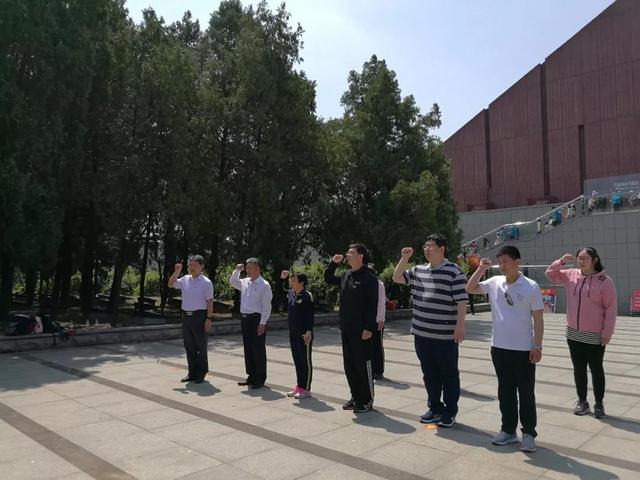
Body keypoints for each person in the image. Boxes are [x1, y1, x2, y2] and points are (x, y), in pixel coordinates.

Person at [466, 246, 544, 453]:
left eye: (506, 261)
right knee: (505, 391)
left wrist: (537, 346)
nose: (502, 265)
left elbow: (538, 319)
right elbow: (470, 288)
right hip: (499, 347)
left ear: (517, 262)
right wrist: (481, 269)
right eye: (499, 262)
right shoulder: (494, 282)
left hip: (524, 349)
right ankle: (508, 431)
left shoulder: (530, 286)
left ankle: (528, 434)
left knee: (526, 393)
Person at [392, 234, 468, 428]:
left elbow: (462, 301)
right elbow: (397, 277)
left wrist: (460, 327)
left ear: (442, 249)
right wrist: (404, 258)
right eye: (425, 245)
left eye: (431, 246)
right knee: (429, 374)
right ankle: (434, 408)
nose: (426, 249)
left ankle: (450, 411)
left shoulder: (454, 272)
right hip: (421, 333)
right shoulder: (418, 270)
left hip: (445, 335)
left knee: (448, 375)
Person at [545, 248, 617, 419]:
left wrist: (607, 333)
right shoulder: (571, 275)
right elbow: (550, 274)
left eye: (585, 258)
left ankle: (599, 404)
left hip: (594, 335)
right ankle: (582, 401)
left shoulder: (604, 281)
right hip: (573, 333)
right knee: (579, 369)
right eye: (579, 258)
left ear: (595, 260)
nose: (581, 261)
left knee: (596, 370)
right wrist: (561, 261)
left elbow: (611, 308)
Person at [325, 243, 379, 413]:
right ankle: (355, 397)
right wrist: (333, 263)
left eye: (351, 252)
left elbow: (372, 304)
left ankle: (366, 400)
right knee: (349, 365)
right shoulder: (346, 274)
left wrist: (369, 328)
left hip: (362, 330)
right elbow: (328, 278)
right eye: (347, 252)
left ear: (360, 256)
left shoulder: (369, 277)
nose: (347, 255)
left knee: (363, 364)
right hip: (346, 328)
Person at [168, 255, 214, 384]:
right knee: (189, 346)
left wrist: (209, 318)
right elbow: (170, 284)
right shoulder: (185, 279)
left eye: (194, 265)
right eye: (190, 265)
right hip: (186, 316)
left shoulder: (206, 282)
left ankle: (201, 372)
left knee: (201, 346)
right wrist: (177, 272)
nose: (191, 267)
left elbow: (210, 301)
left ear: (201, 266)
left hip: (200, 316)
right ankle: (192, 372)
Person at [230, 258, 273, 389]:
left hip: (256, 319)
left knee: (258, 349)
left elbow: (266, 306)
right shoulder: (245, 282)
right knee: (248, 348)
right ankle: (251, 376)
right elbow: (232, 282)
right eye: (247, 267)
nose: (247, 270)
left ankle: (260, 378)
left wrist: (263, 323)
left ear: (257, 269)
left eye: (250, 267)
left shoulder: (264, 285)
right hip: (245, 319)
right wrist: (237, 271)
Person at [280, 270, 315, 399]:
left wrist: (308, 331)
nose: (291, 282)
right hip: (293, 333)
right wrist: (283, 279)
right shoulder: (292, 294)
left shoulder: (307, 295)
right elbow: (281, 290)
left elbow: (310, 315)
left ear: (301, 283)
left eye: (294, 280)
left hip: (304, 334)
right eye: (291, 280)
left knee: (305, 362)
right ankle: (299, 386)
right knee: (297, 361)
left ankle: (306, 389)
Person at [369, 264, 386, 380]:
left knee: (377, 346)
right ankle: (370, 368)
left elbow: (382, 303)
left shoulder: (379, 285)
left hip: (377, 321)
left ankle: (379, 370)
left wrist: (381, 319)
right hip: (367, 321)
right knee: (368, 346)